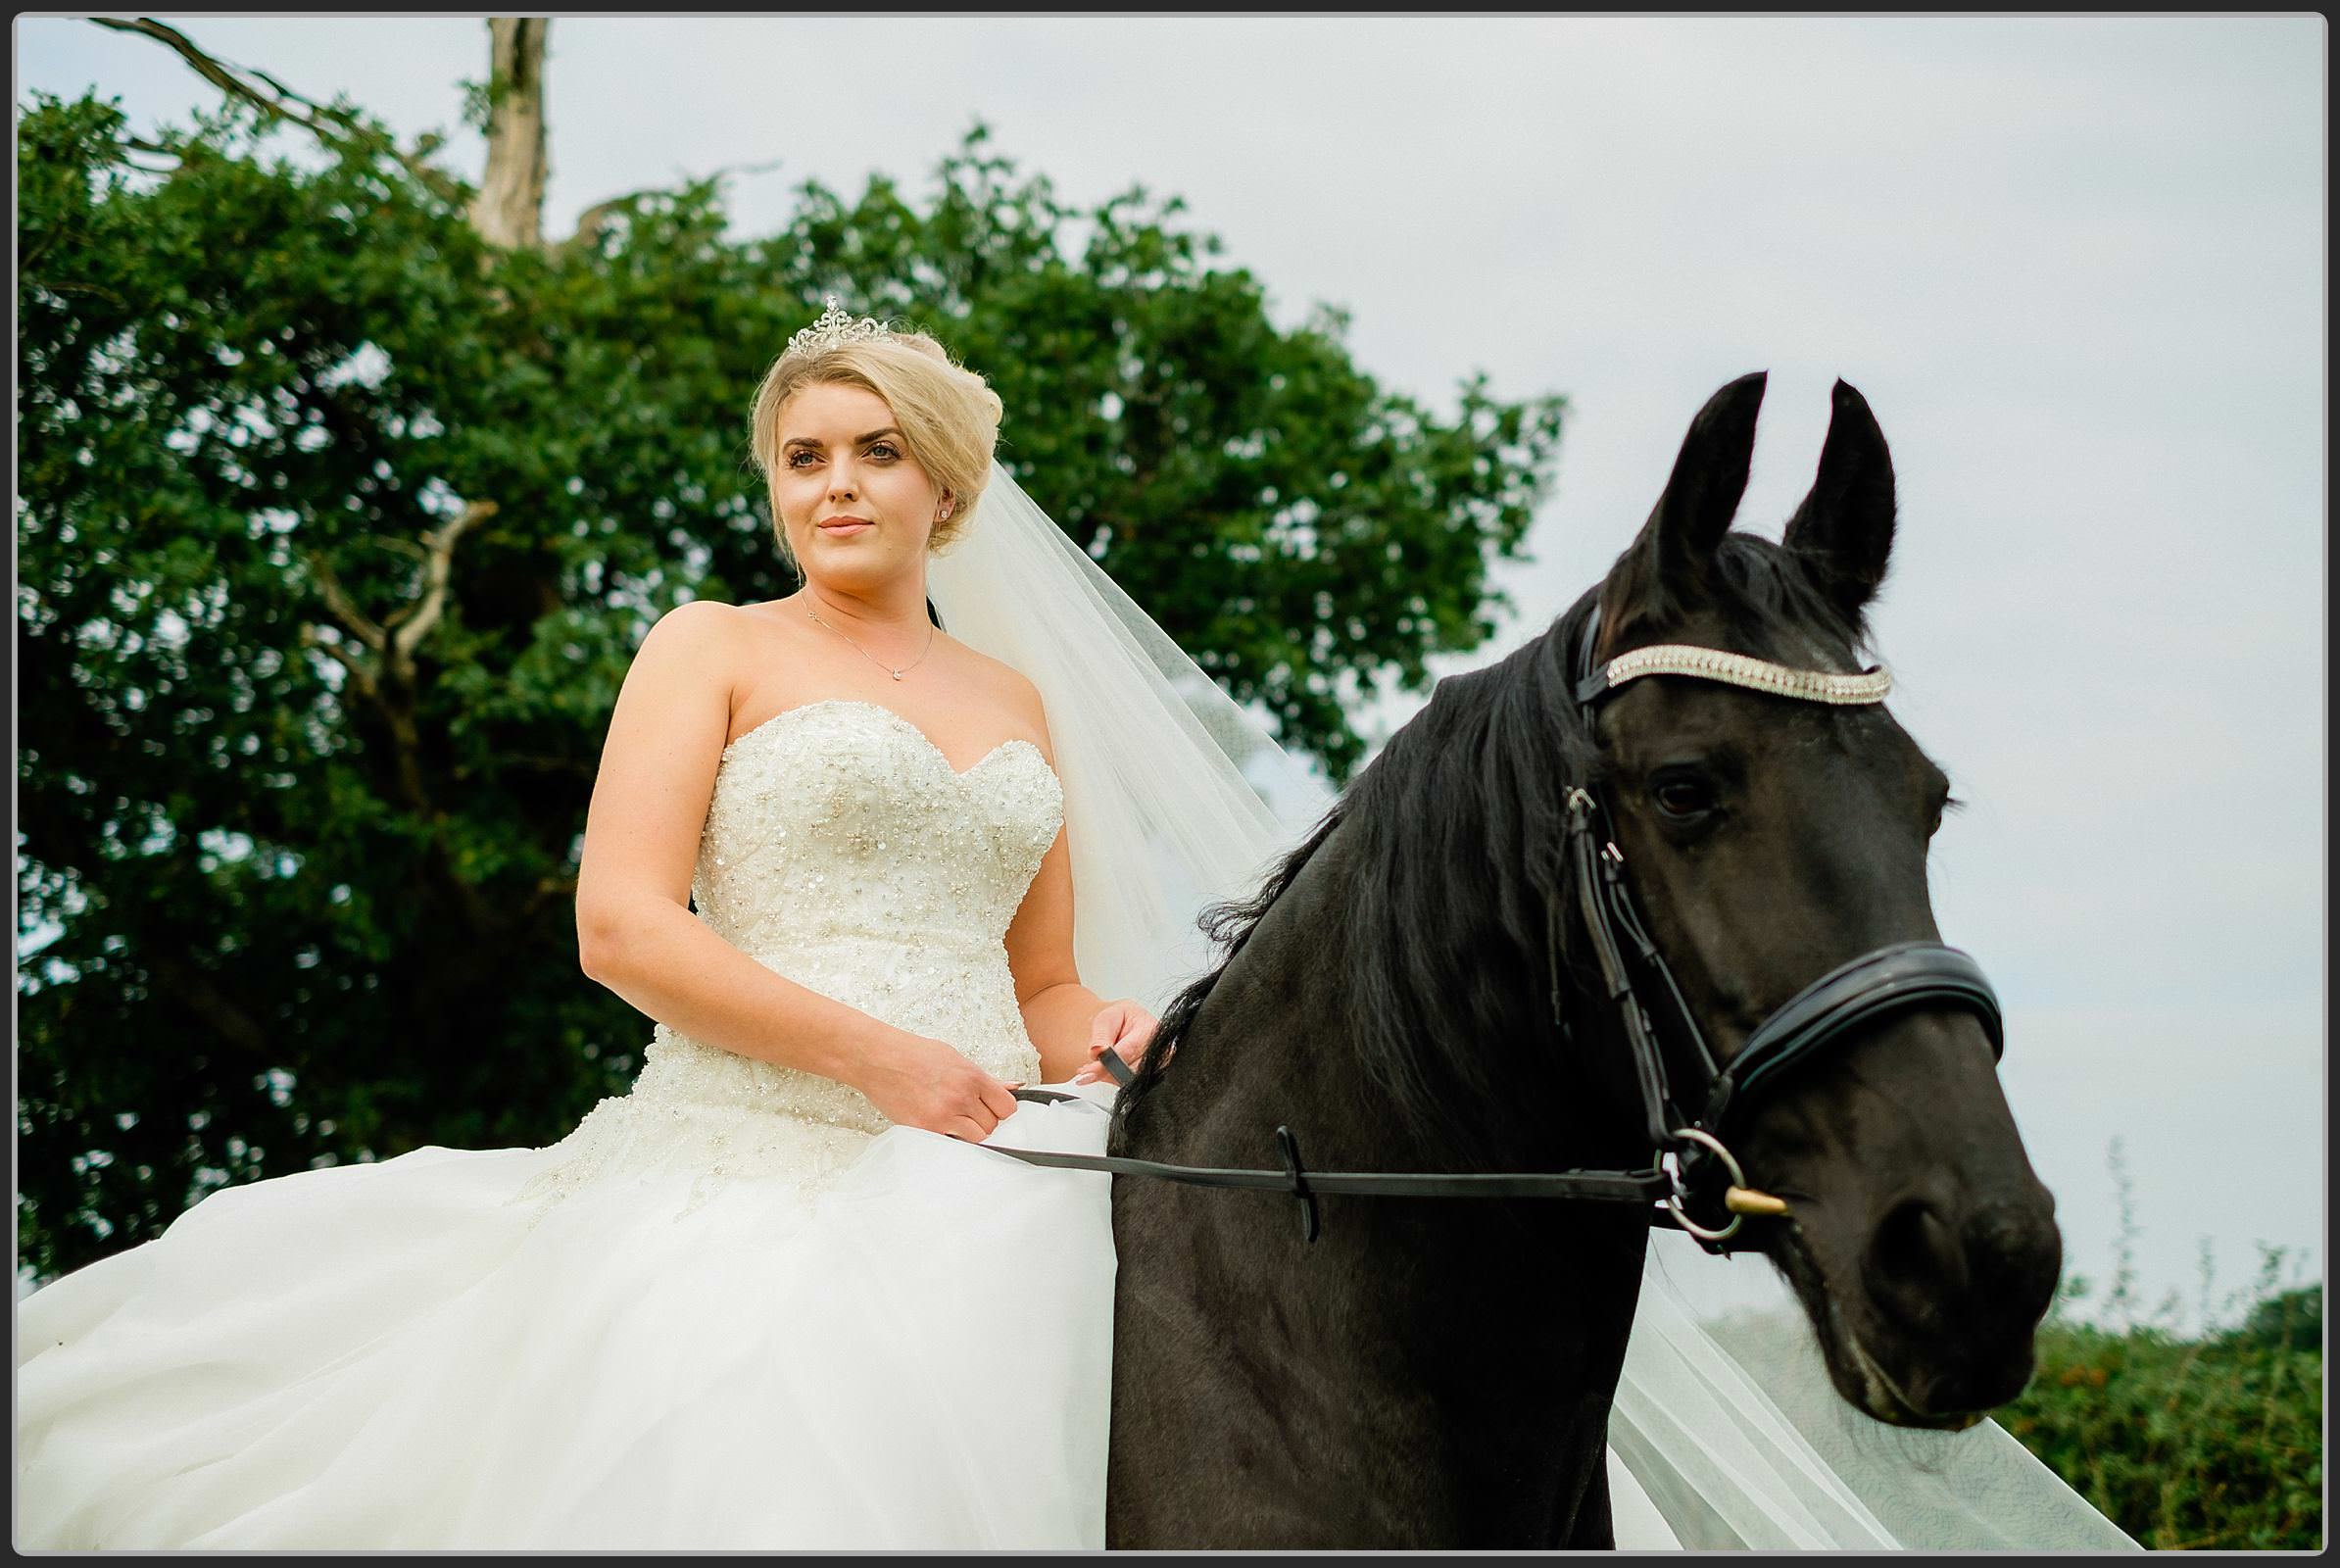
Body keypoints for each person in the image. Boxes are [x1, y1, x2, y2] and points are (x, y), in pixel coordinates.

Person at [15, 302, 2135, 1551]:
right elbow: (617, 923)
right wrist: (879, 1064)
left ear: (941, 484)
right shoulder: (710, 652)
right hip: (740, 1163)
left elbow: (1042, 983)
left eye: (871, 455)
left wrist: (1094, 1033)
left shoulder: (1008, 702)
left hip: (988, 1147)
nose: (832, 487)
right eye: (801, 456)